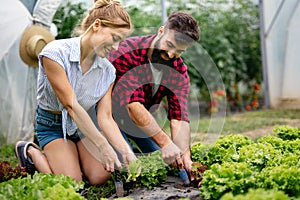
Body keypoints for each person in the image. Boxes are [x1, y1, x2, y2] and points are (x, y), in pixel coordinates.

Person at [14, 0, 137, 186]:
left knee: (100, 177)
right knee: (72, 182)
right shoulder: (54, 53)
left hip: (84, 127)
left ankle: (72, 157)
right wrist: (103, 146)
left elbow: (105, 117)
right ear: (97, 25)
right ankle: (30, 150)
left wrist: (126, 152)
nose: (116, 48)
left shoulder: (108, 71)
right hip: (52, 125)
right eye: (114, 38)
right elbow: (70, 105)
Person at [108, 11, 200, 177]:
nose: (171, 55)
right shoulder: (126, 52)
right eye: (170, 45)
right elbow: (133, 105)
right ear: (161, 31)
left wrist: (184, 155)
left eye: (180, 51)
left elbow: (178, 117)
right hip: (109, 118)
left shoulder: (178, 70)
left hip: (138, 123)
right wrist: (166, 142)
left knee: (166, 162)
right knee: (122, 167)